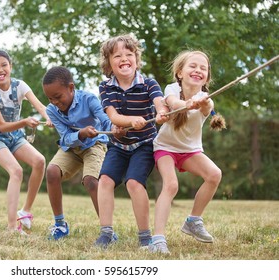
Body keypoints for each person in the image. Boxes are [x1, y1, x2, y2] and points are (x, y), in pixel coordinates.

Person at [95, 34, 169, 248]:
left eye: (129, 54)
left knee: (134, 183)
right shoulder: (106, 87)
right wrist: (131, 120)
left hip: (144, 145)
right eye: (117, 55)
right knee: (105, 181)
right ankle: (106, 233)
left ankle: (145, 237)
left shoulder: (148, 83)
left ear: (136, 59)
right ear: (109, 63)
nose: (124, 58)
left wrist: (163, 111)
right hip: (118, 146)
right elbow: (114, 116)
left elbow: (159, 102)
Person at [151, 50, 226, 254]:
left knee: (214, 174)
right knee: (171, 185)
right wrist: (186, 104)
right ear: (180, 73)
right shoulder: (171, 89)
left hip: (190, 151)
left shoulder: (205, 98)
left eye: (203, 68)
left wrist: (202, 103)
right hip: (165, 148)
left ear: (207, 77)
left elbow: (208, 106)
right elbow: (174, 103)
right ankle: (157, 240)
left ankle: (193, 221)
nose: (198, 70)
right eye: (192, 66)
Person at [42, 66, 121, 240]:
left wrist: (114, 129)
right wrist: (81, 133)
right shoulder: (51, 110)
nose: (55, 102)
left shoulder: (89, 99)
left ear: (71, 88)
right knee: (52, 171)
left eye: (58, 97)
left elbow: (105, 119)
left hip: (95, 144)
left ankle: (107, 231)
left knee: (91, 181)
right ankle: (60, 225)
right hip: (71, 147)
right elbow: (65, 137)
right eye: (50, 98)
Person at [0, 48, 52, 233]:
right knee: (16, 171)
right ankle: (12, 227)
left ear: (10, 66)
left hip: (14, 136)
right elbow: (2, 126)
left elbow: (40, 106)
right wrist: (25, 121)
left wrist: (49, 117)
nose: (0, 69)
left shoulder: (20, 85)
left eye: (4, 65)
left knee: (39, 161)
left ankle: (25, 211)